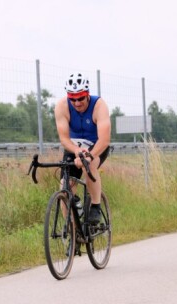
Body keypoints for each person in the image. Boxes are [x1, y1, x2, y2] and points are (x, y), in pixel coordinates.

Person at [54, 72, 111, 223]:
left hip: (96, 145)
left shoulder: (99, 105)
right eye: (73, 99)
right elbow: (64, 139)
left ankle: (95, 206)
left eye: (80, 98)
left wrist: (89, 155)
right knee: (64, 186)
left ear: (87, 94)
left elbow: (104, 140)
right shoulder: (62, 107)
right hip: (74, 147)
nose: (77, 103)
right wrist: (78, 151)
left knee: (89, 165)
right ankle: (72, 228)